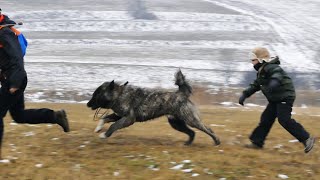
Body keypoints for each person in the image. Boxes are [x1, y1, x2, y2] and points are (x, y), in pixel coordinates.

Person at [0, 23, 70, 160]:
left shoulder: (4, 33)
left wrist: (15, 82)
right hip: (13, 79)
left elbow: (17, 57)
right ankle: (55, 116)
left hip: (15, 80)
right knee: (19, 116)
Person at [239, 47, 315, 153]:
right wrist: (244, 94)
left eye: (253, 60)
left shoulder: (271, 67)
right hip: (275, 99)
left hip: (285, 97)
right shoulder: (262, 71)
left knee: (284, 119)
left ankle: (306, 139)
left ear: (261, 59)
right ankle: (257, 143)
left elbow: (277, 74)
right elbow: (256, 85)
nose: (252, 63)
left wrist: (274, 81)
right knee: (266, 119)